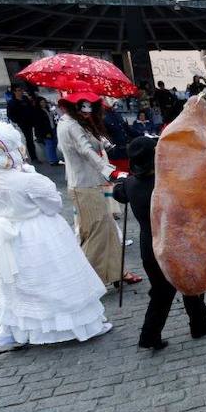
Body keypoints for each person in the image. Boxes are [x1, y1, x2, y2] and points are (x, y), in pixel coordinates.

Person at [0, 122, 112, 346]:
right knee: (57, 276)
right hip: (39, 231)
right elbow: (52, 206)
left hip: (11, 235)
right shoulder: (30, 180)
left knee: (22, 284)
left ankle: (23, 330)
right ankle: (79, 325)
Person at [113, 136, 206, 350]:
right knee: (190, 285)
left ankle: (149, 336)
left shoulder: (130, 184)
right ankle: (198, 324)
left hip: (149, 249)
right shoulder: (170, 183)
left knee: (161, 293)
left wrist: (123, 181)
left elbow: (118, 193)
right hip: (176, 246)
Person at [56, 91, 140, 287]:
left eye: (90, 110)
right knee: (95, 235)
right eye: (84, 111)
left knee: (108, 230)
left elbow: (93, 146)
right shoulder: (70, 125)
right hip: (85, 185)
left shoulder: (77, 123)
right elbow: (86, 151)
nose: (87, 114)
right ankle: (84, 280)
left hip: (91, 183)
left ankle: (117, 272)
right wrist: (112, 171)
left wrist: (100, 139)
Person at [6, 86, 40, 163]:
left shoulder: (25, 98)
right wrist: (18, 120)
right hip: (23, 123)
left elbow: (31, 108)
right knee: (29, 139)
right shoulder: (12, 102)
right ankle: (33, 157)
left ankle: (34, 153)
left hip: (31, 120)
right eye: (18, 90)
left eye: (21, 90)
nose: (20, 92)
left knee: (32, 137)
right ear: (14, 92)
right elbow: (10, 114)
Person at [33, 97, 60, 166]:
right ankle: (52, 160)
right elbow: (39, 124)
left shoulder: (47, 109)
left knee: (53, 144)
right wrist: (45, 133)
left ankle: (54, 159)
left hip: (52, 128)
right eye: (41, 102)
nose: (43, 103)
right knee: (50, 145)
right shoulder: (37, 112)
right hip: (46, 130)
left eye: (44, 102)